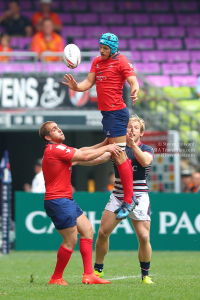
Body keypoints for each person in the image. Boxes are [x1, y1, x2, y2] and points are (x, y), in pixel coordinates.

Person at [62, 33, 139, 220]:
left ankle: (129, 199)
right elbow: (88, 83)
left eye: (105, 48)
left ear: (113, 48)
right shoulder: (97, 61)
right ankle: (128, 197)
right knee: (115, 154)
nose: (101, 50)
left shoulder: (121, 61)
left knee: (119, 156)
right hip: (107, 115)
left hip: (117, 114)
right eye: (100, 47)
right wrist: (76, 87)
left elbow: (132, 80)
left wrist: (135, 89)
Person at [39, 120, 122, 285]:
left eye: (58, 126)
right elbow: (84, 156)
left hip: (65, 200)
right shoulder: (55, 149)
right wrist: (107, 148)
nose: (59, 129)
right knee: (70, 241)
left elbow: (84, 151)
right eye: (54, 129)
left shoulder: (59, 150)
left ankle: (88, 275)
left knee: (87, 230)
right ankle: (56, 278)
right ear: (48, 137)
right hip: (58, 201)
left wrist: (105, 143)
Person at [75, 115, 154, 284]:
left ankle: (145, 275)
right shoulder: (118, 148)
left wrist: (133, 145)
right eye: (128, 127)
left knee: (144, 237)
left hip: (139, 196)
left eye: (135, 128)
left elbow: (145, 161)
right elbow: (99, 159)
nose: (131, 130)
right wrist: (76, 161)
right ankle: (98, 270)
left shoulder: (147, 148)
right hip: (118, 195)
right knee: (103, 233)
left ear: (142, 132)